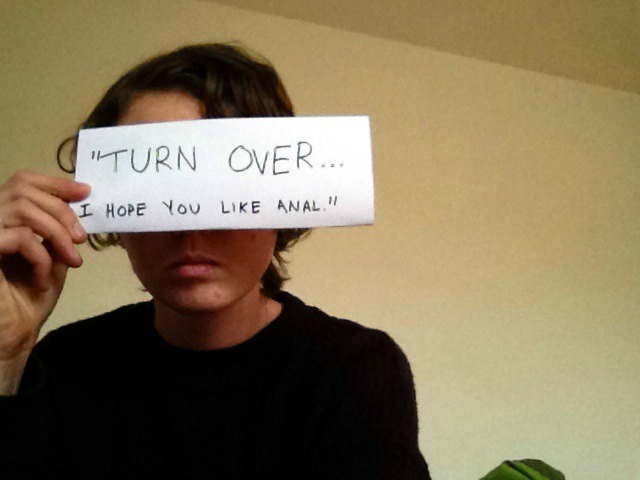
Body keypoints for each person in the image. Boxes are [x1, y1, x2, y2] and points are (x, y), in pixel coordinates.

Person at [0, 43, 430, 479]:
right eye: (155, 189)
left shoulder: (355, 369)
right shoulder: (65, 363)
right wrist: (5, 355)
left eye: (227, 188)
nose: (191, 225)